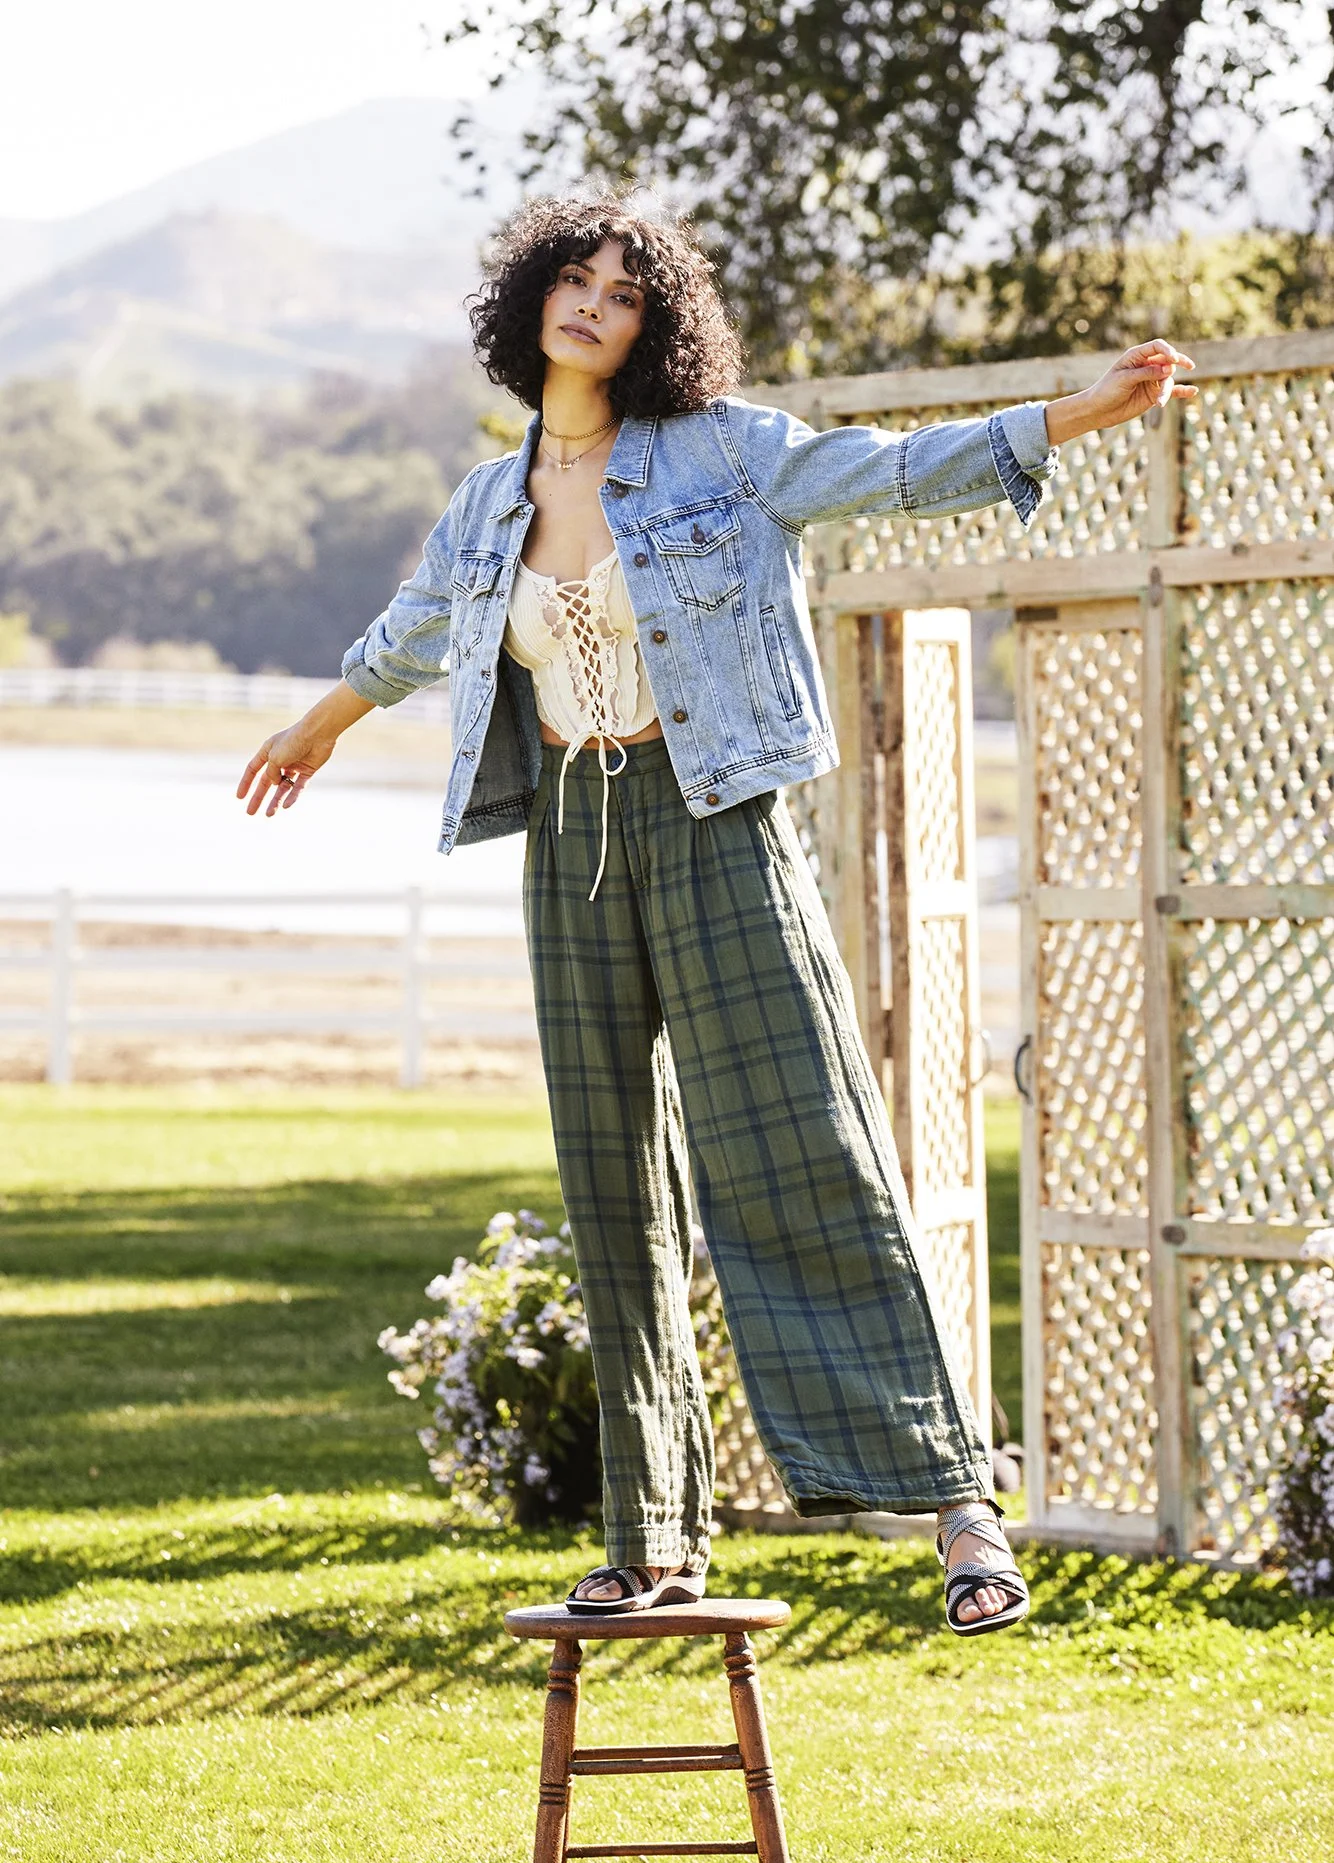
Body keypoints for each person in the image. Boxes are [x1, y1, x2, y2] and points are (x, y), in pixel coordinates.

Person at [237, 193, 1195, 1635]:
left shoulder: (723, 452)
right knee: (611, 1187)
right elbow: (414, 631)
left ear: (654, 327)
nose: (592, 303)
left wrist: (1073, 415)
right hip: (569, 842)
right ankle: (652, 1536)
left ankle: (957, 1511)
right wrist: (314, 729)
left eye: (624, 292)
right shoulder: (487, 502)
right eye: (574, 279)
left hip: (714, 822)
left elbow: (889, 472)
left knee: (805, 1150)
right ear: (530, 303)